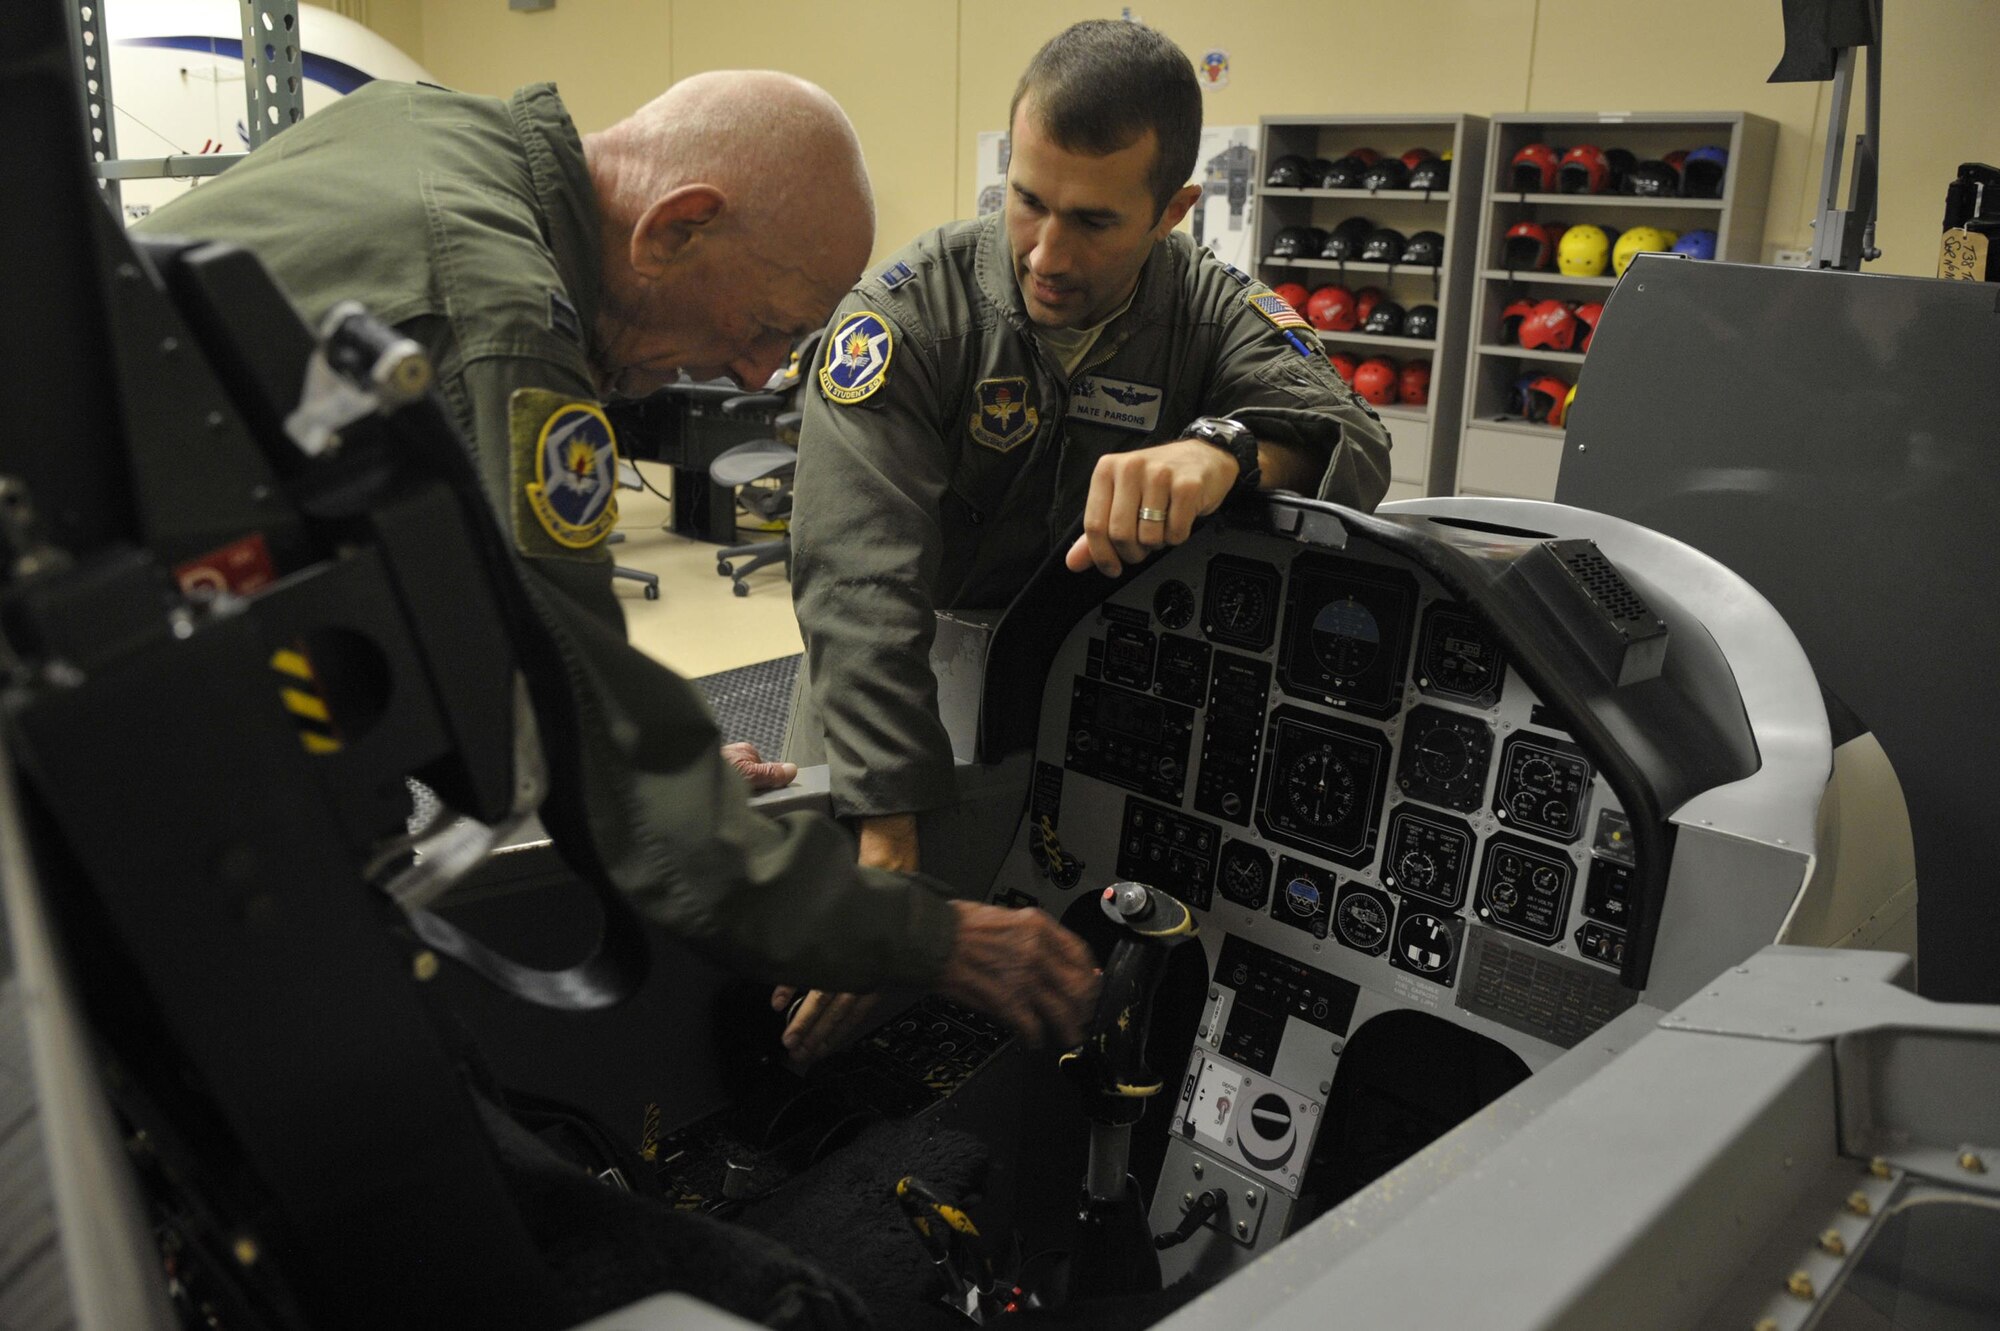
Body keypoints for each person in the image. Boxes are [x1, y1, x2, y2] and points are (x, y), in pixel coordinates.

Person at [133, 72, 1096, 1054]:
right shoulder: (500, 321)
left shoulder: (423, 120)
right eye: (766, 326)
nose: (755, 374)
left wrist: (621, 752)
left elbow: (503, 656)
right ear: (673, 229)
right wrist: (930, 934)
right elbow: (615, 768)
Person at [782, 20, 1393, 1053]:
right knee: (820, 993)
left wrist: (1225, 454)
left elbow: (1351, 438)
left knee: (1034, 996)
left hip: (1077, 684)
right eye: (1025, 200)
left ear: (1172, 212)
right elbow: (855, 582)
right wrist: (886, 829)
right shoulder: (908, 314)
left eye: (1093, 222)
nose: (1046, 254)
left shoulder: (1202, 307)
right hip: (890, 680)